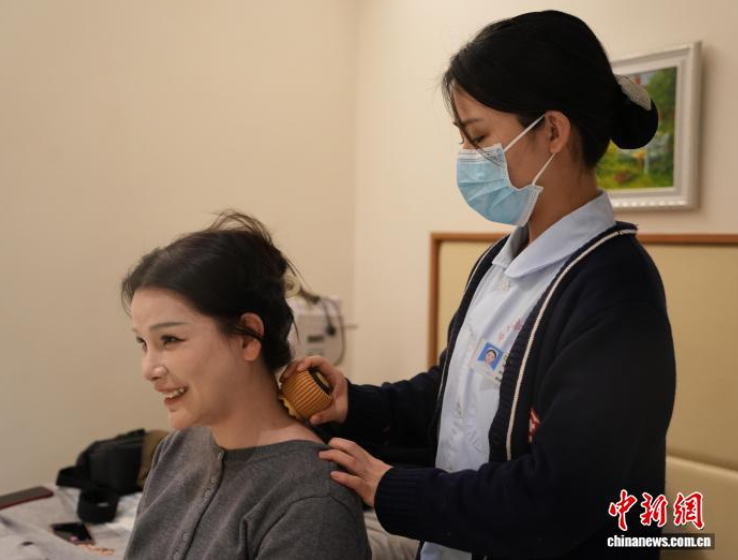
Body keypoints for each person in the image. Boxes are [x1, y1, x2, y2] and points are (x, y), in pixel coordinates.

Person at [281, 10, 675, 560]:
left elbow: (557, 498)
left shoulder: (616, 294)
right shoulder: (500, 260)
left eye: (479, 137)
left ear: (553, 131)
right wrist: (356, 404)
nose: (468, 158)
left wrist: (391, 487)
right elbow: (456, 399)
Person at [120, 211, 371, 560]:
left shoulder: (312, 499)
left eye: (171, 339)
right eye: (143, 343)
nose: (148, 369)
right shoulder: (176, 450)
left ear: (248, 337)